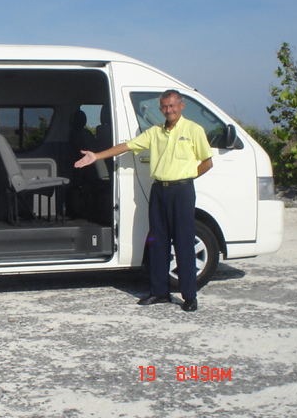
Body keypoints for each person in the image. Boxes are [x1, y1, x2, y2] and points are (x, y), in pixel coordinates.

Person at [74, 90, 213, 312]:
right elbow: (127, 146)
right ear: (161, 109)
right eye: (165, 107)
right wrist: (96, 156)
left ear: (181, 105)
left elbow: (207, 162)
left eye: (172, 106)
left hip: (182, 191)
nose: (169, 110)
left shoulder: (193, 130)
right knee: (157, 242)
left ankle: (189, 296)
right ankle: (159, 292)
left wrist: (187, 176)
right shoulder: (154, 132)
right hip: (159, 190)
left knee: (184, 242)